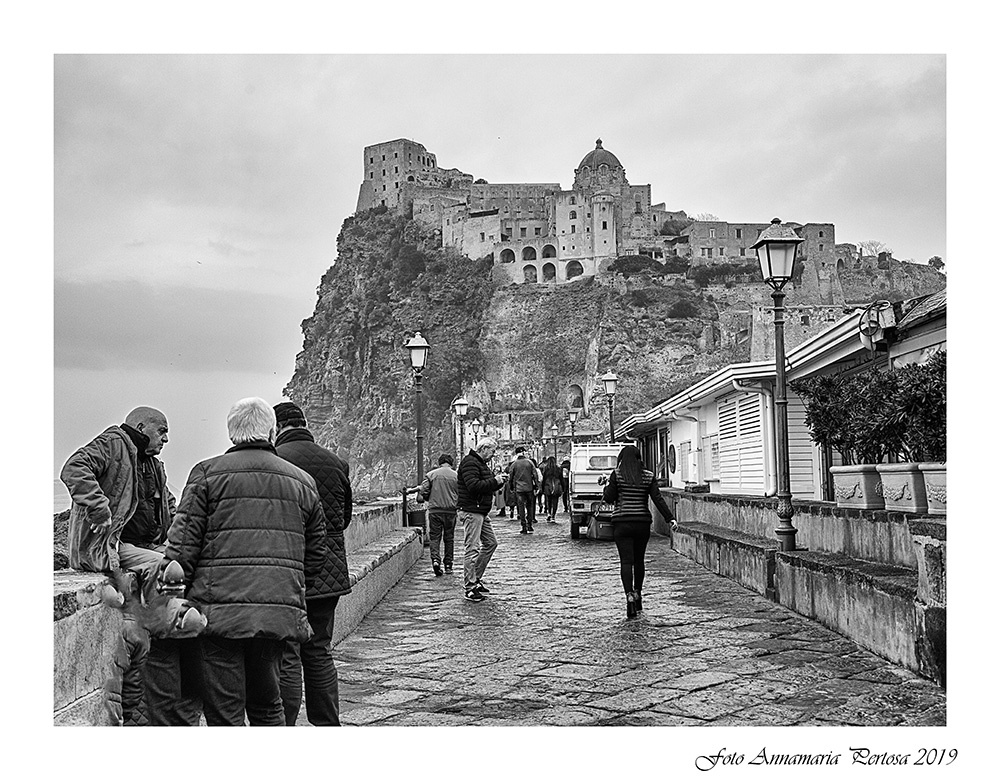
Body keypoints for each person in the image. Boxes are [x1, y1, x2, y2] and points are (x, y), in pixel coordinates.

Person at [162, 398, 328, 726]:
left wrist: (175, 603)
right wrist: (284, 589)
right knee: (268, 705)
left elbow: (181, 551)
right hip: (277, 614)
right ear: (271, 430)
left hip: (218, 615)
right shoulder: (302, 481)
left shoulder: (206, 474)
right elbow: (317, 553)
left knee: (225, 712)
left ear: (231, 433)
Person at [60, 406, 179, 725]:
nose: (166, 438)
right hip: (106, 547)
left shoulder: (153, 464)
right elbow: (73, 468)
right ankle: (162, 630)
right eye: (162, 430)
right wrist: (98, 508)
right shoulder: (113, 444)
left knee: (175, 561)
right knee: (160, 564)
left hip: (140, 545)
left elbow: (166, 504)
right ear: (141, 427)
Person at [272, 401, 352, 727]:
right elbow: (345, 518)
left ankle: (284, 727)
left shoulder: (275, 462)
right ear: (305, 423)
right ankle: (327, 725)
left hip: (287, 571)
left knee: (288, 654)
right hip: (328, 571)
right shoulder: (336, 463)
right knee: (319, 651)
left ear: (276, 429)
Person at [601, 444, 677, 619]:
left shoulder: (617, 475)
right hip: (642, 523)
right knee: (639, 561)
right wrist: (670, 518)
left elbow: (610, 498)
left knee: (626, 562)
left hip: (621, 523)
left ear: (621, 459)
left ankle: (629, 597)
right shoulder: (647, 476)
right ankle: (638, 594)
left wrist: (606, 486)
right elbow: (657, 499)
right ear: (638, 458)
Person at [456, 437, 507, 602]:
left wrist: (498, 482)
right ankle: (470, 588)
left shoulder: (479, 464)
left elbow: (485, 485)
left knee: (491, 543)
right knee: (472, 549)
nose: (493, 455)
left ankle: (475, 578)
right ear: (484, 448)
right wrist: (495, 481)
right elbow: (473, 486)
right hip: (472, 510)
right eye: (492, 451)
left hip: (480, 511)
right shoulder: (470, 463)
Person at [420, 453, 459, 576]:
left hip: (435, 510)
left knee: (435, 537)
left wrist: (429, 498)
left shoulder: (431, 475)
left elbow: (423, 490)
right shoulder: (456, 476)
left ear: (440, 462)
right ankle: (448, 565)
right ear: (451, 463)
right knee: (449, 538)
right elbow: (462, 493)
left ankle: (436, 560)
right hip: (450, 511)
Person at [508, 447, 538, 534]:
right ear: (523, 453)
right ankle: (530, 524)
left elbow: (511, 477)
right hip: (529, 488)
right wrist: (536, 486)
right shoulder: (530, 462)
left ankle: (523, 526)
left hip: (519, 489)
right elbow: (535, 475)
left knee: (520, 507)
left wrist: (511, 487)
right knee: (530, 506)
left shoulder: (514, 464)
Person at [540, 456, 563, 523]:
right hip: (556, 486)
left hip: (548, 486)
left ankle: (549, 513)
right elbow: (561, 479)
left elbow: (544, 479)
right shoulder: (558, 469)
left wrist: (543, 487)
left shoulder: (546, 469)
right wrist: (563, 488)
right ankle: (553, 516)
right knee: (555, 502)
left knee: (548, 501)